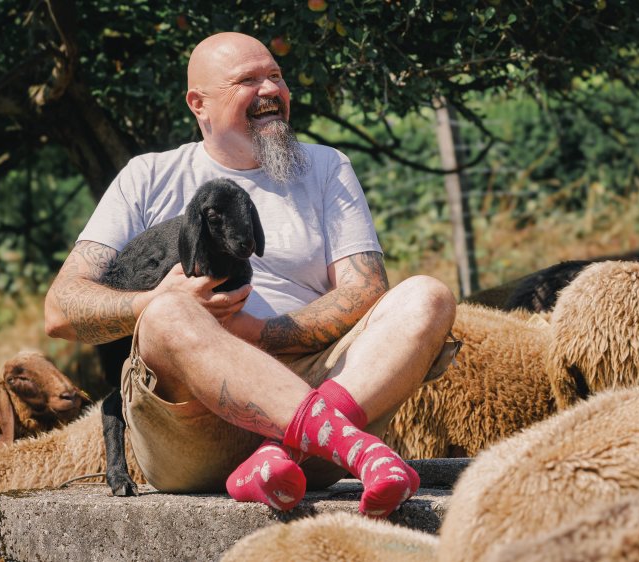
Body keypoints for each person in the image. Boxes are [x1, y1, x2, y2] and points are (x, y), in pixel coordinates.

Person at [44, 31, 457, 517]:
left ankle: (281, 455)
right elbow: (60, 310)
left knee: (427, 296)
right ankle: (353, 447)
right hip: (190, 424)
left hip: (314, 392)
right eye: (248, 80)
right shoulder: (147, 176)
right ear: (198, 104)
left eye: (276, 76)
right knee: (167, 311)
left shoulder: (326, 166)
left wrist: (259, 333)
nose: (271, 90)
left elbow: (365, 288)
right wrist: (148, 302)